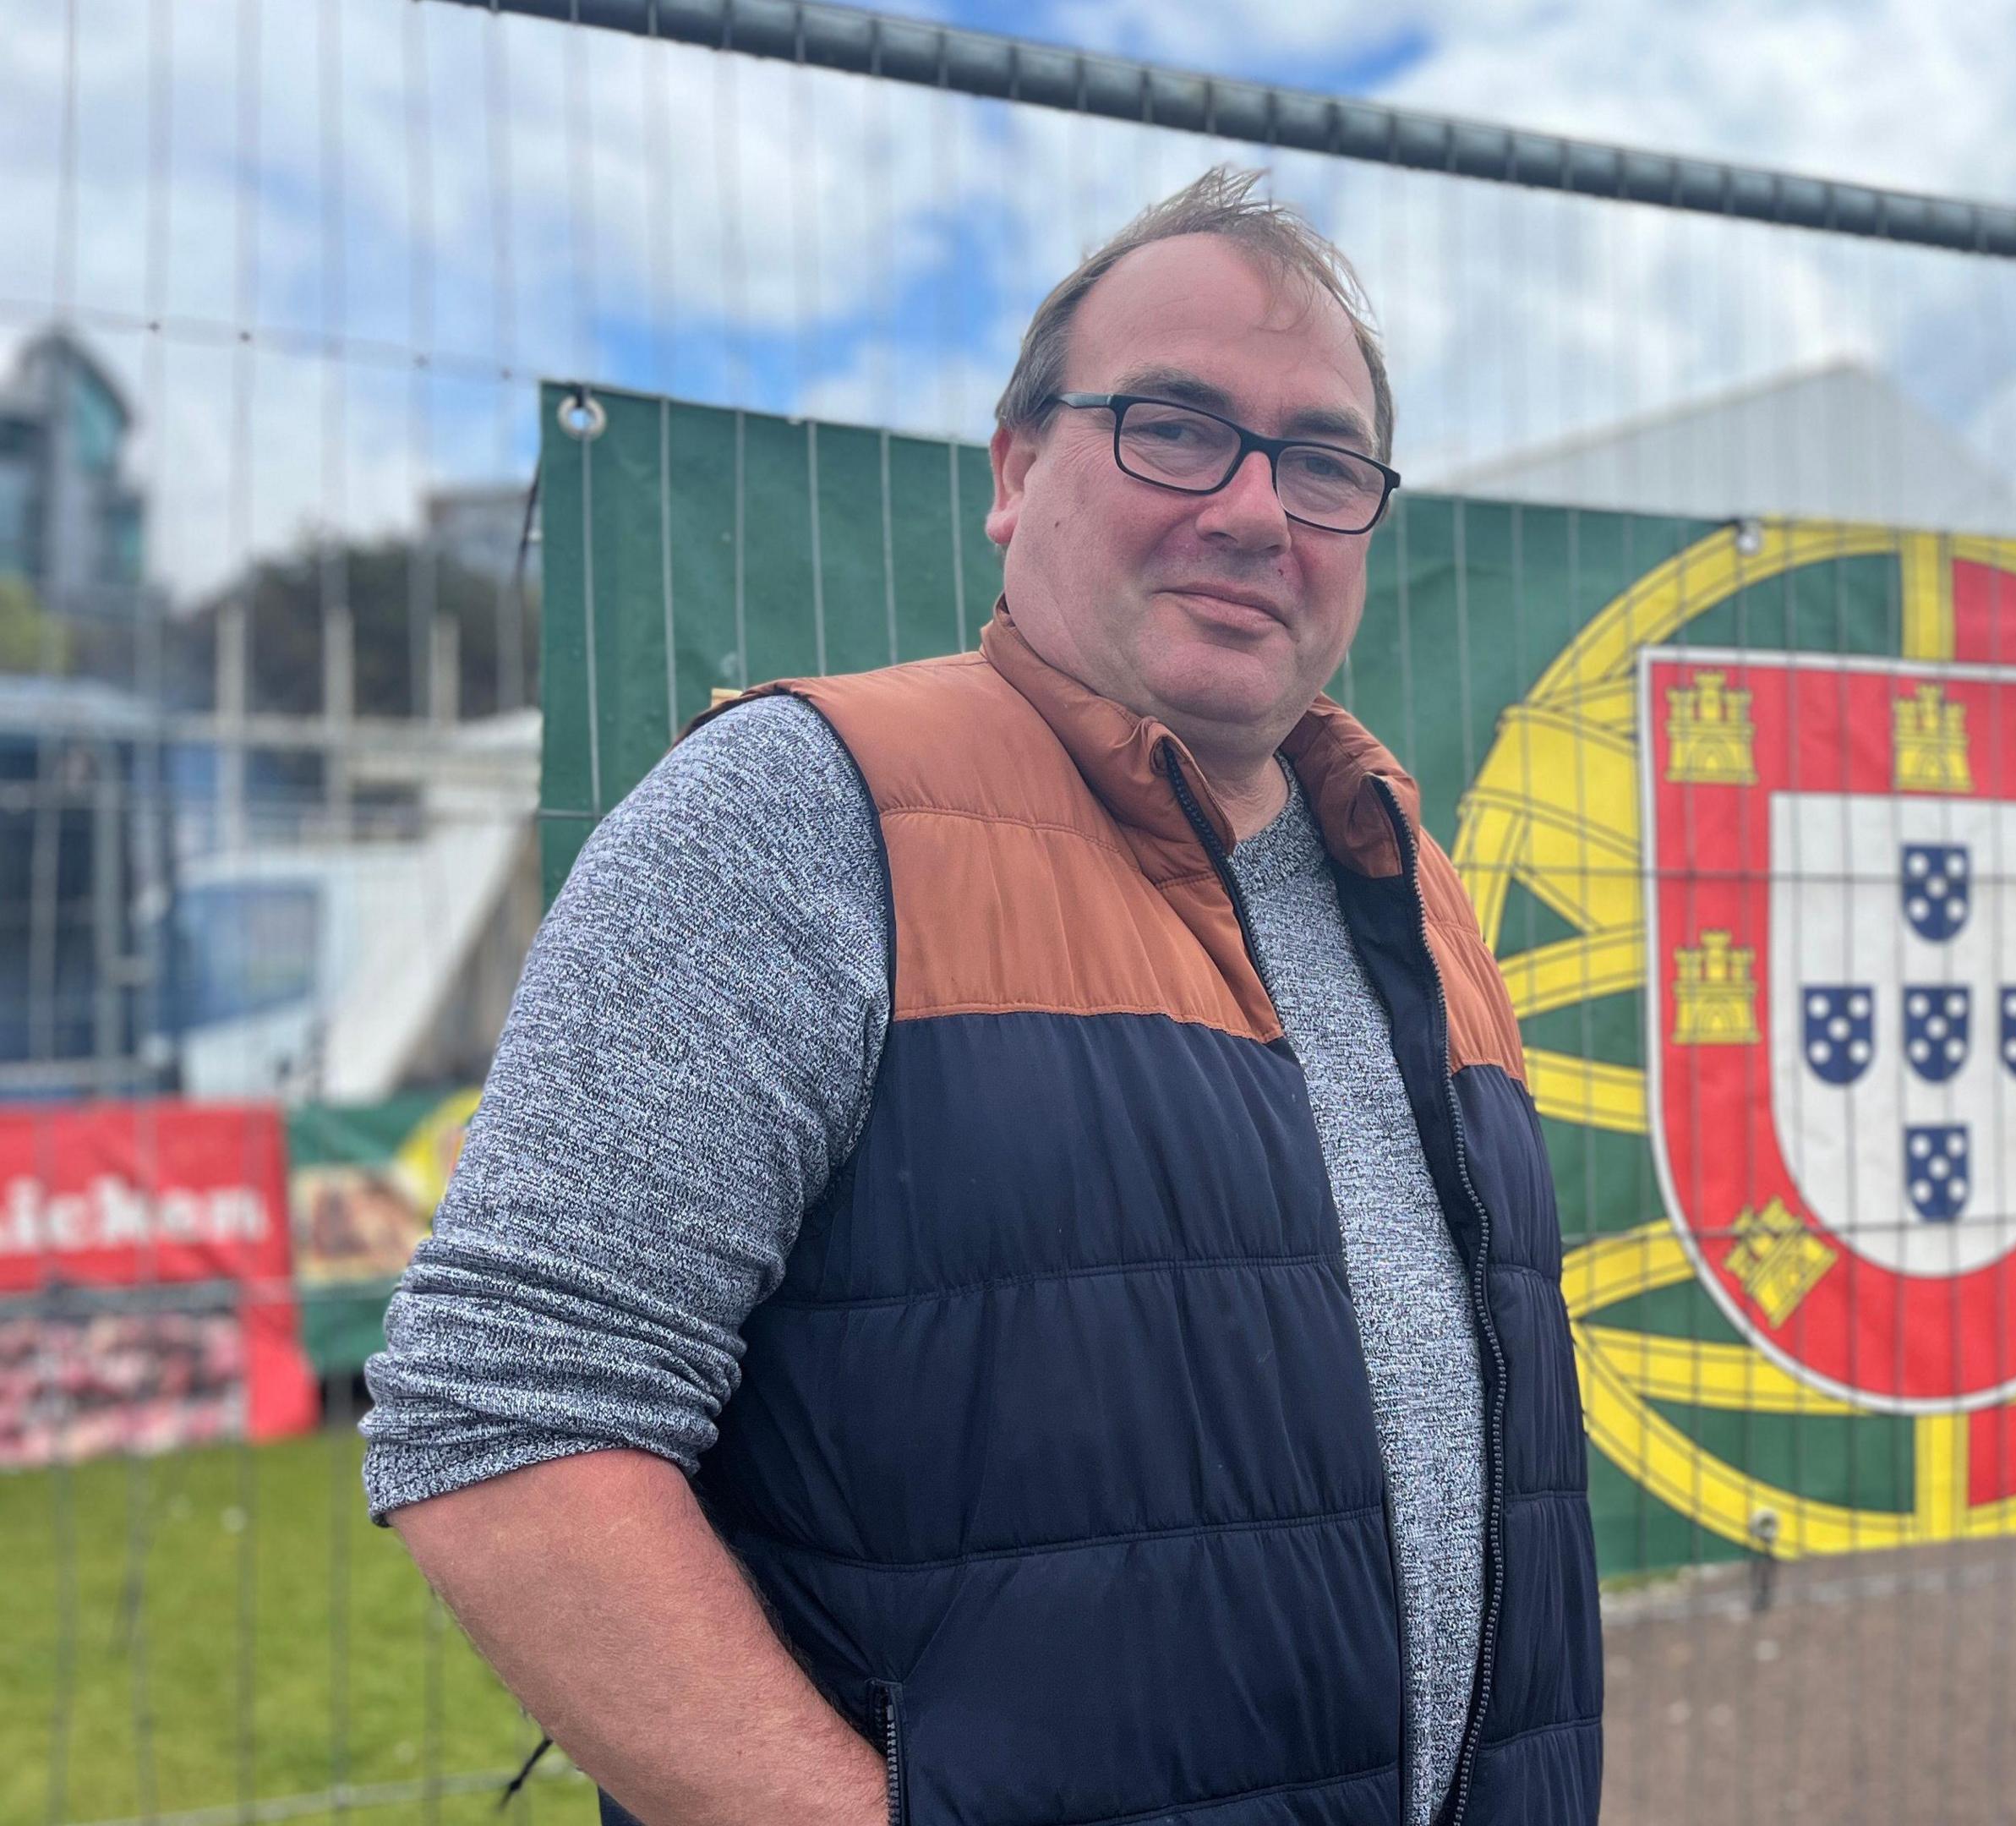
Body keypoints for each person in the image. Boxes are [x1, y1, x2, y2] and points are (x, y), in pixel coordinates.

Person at [361, 168, 1602, 1826]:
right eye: (1173, 424)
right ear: (1016, 470)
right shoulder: (800, 816)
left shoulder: (1417, 891)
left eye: (1320, 460)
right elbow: (503, 1417)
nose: (1253, 509)